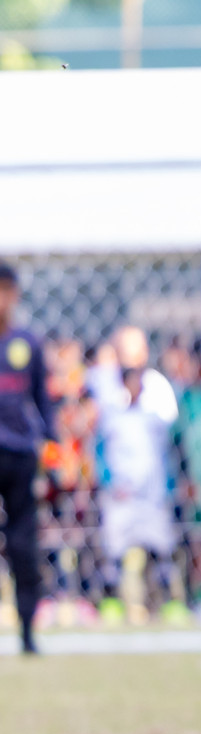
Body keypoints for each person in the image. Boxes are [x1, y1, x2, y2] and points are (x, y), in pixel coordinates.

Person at [96, 367, 186, 624]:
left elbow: (167, 455)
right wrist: (110, 482)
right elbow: (100, 454)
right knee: (115, 553)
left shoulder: (154, 421)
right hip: (120, 498)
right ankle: (112, 603)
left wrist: (167, 487)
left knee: (161, 552)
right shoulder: (111, 419)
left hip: (152, 498)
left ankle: (167, 604)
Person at [0, 263, 52, 654]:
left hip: (19, 456)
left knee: (23, 544)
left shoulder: (26, 343)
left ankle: (27, 630)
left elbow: (43, 402)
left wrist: (48, 448)